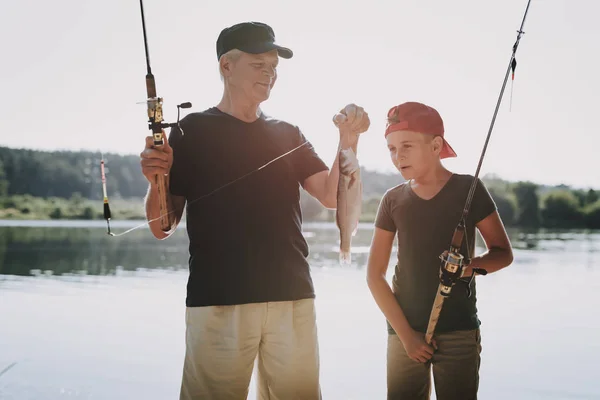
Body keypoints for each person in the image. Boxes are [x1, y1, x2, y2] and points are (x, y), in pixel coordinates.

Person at [139, 21, 370, 400]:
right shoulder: (189, 131)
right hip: (217, 301)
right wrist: (155, 180)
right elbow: (162, 226)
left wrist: (349, 140)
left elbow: (331, 195)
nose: (270, 74)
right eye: (259, 65)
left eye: (274, 67)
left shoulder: (289, 132)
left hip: (291, 295)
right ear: (226, 66)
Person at [366, 101, 514, 400]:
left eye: (406, 145)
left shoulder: (469, 189)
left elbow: (502, 253)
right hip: (403, 333)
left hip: (459, 331)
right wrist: (407, 338)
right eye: (392, 149)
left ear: (435, 146)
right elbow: (374, 276)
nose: (398, 156)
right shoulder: (392, 200)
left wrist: (467, 267)